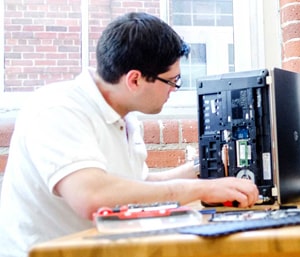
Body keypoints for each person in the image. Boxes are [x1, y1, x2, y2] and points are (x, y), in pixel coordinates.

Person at [0, 12, 259, 257]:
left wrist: (202, 169)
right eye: (172, 81)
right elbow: (93, 197)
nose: (174, 90)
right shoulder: (57, 108)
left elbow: (136, 185)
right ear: (135, 80)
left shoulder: (123, 115)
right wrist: (202, 189)